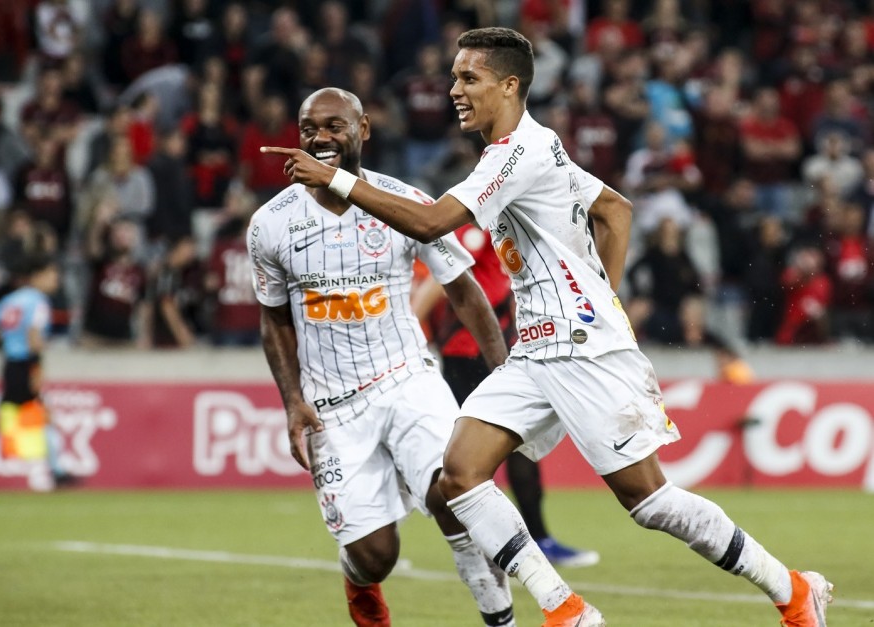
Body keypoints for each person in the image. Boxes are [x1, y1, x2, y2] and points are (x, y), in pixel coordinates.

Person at [262, 27, 832, 627]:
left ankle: (792, 589)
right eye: (455, 77)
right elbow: (615, 207)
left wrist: (335, 180)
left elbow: (432, 224)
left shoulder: (517, 153)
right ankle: (565, 609)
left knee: (650, 503)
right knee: (459, 475)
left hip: (583, 350)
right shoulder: (535, 148)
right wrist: (603, 292)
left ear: (509, 86)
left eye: (468, 78)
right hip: (534, 352)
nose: (454, 90)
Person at [251, 87, 517, 627]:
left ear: (364, 129)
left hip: (407, 379)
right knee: (376, 556)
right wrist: (292, 401)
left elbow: (464, 290)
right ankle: (359, 581)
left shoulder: (408, 204)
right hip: (333, 406)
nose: (320, 138)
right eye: (309, 129)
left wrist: (506, 373)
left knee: (458, 493)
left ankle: (501, 620)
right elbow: (273, 317)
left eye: (334, 126)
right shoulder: (270, 224)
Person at [411, 223, 599, 568]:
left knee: (520, 446)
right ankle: (393, 535)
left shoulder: (511, 231)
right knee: (455, 454)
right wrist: (410, 332)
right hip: (466, 356)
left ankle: (538, 539)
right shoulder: (475, 230)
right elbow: (441, 278)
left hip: (505, 354)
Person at [0, 253, 73, 491]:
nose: (56, 280)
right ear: (37, 276)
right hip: (24, 365)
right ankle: (54, 473)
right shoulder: (38, 301)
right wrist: (36, 369)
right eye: (52, 275)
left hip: (10, 364)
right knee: (39, 418)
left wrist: (8, 340)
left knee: (9, 420)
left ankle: (56, 471)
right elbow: (34, 337)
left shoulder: (12, 299)